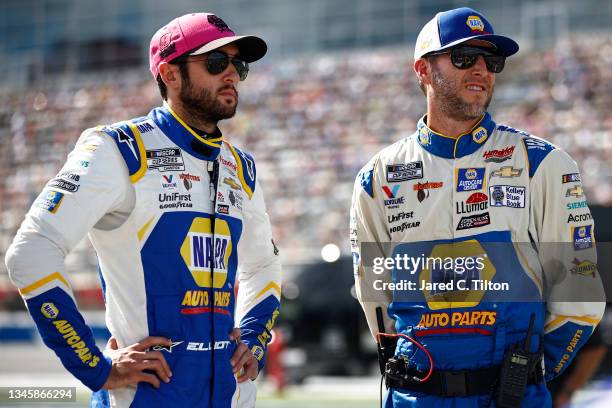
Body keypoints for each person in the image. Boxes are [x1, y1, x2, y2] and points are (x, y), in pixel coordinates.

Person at [5, 12, 281, 408]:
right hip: (144, 398)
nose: (233, 75)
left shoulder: (242, 167)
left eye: (239, 65)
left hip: (231, 397)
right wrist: (95, 367)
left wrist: (253, 341)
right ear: (170, 75)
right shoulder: (116, 149)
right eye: (217, 63)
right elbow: (31, 253)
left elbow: (264, 266)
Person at [350, 7, 605, 407]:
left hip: (510, 396)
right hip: (414, 397)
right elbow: (375, 298)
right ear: (422, 70)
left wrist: (529, 372)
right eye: (463, 57)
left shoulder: (542, 163)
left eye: (492, 60)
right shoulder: (377, 176)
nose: (481, 70)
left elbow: (581, 290)